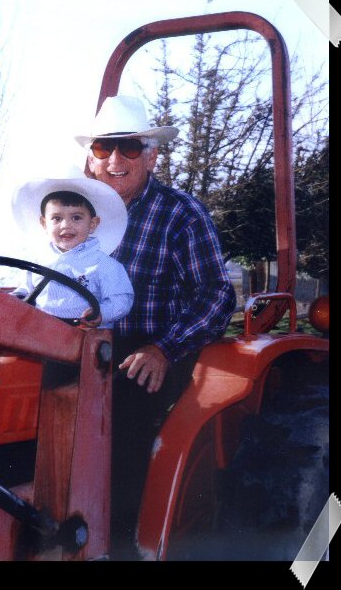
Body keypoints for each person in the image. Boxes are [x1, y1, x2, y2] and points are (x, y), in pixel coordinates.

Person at [75, 95, 237, 558]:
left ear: (151, 155)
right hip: (82, 347)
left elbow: (216, 295)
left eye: (129, 147)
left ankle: (121, 547)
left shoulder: (180, 213)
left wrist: (163, 351)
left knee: (117, 436)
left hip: (146, 351)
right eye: (105, 148)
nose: (115, 160)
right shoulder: (71, 214)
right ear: (91, 158)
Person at [10, 173, 134, 330]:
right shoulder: (37, 262)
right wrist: (16, 299)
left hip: (83, 337)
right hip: (38, 333)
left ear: (92, 224)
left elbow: (122, 299)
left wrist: (101, 313)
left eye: (76, 218)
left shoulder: (104, 265)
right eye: (56, 218)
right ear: (44, 223)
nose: (65, 225)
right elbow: (24, 290)